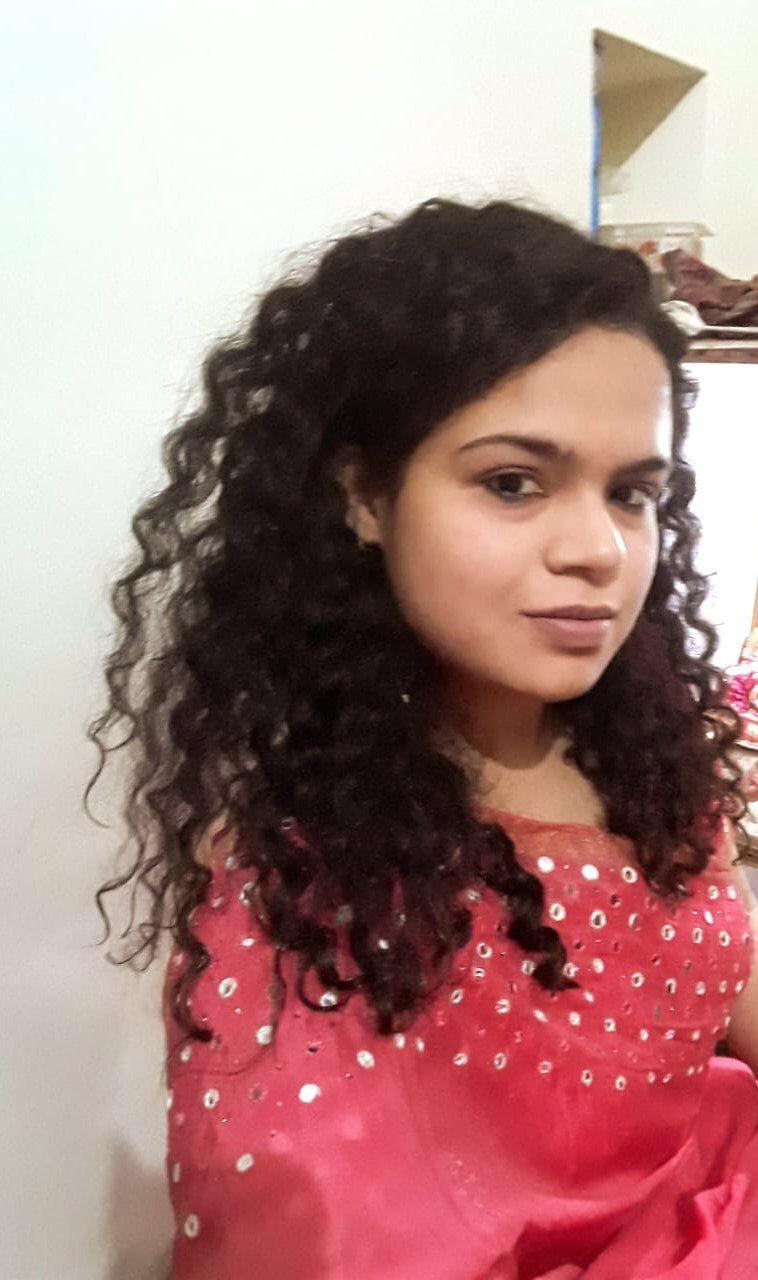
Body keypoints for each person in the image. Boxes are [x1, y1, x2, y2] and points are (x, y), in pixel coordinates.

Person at [87, 197, 758, 1278]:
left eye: (632, 493)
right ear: (363, 494)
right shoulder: (305, 878)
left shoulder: (652, 757)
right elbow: (311, 1235)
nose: (597, 548)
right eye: (512, 482)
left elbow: (723, 985)